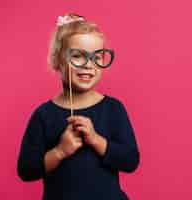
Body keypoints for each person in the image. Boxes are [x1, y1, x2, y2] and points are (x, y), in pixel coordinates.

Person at [17, 13, 140, 200]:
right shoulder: (43, 115)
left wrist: (96, 140)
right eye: (77, 56)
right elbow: (26, 170)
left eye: (97, 57)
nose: (89, 65)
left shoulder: (113, 109)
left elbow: (130, 160)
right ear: (57, 60)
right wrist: (60, 151)